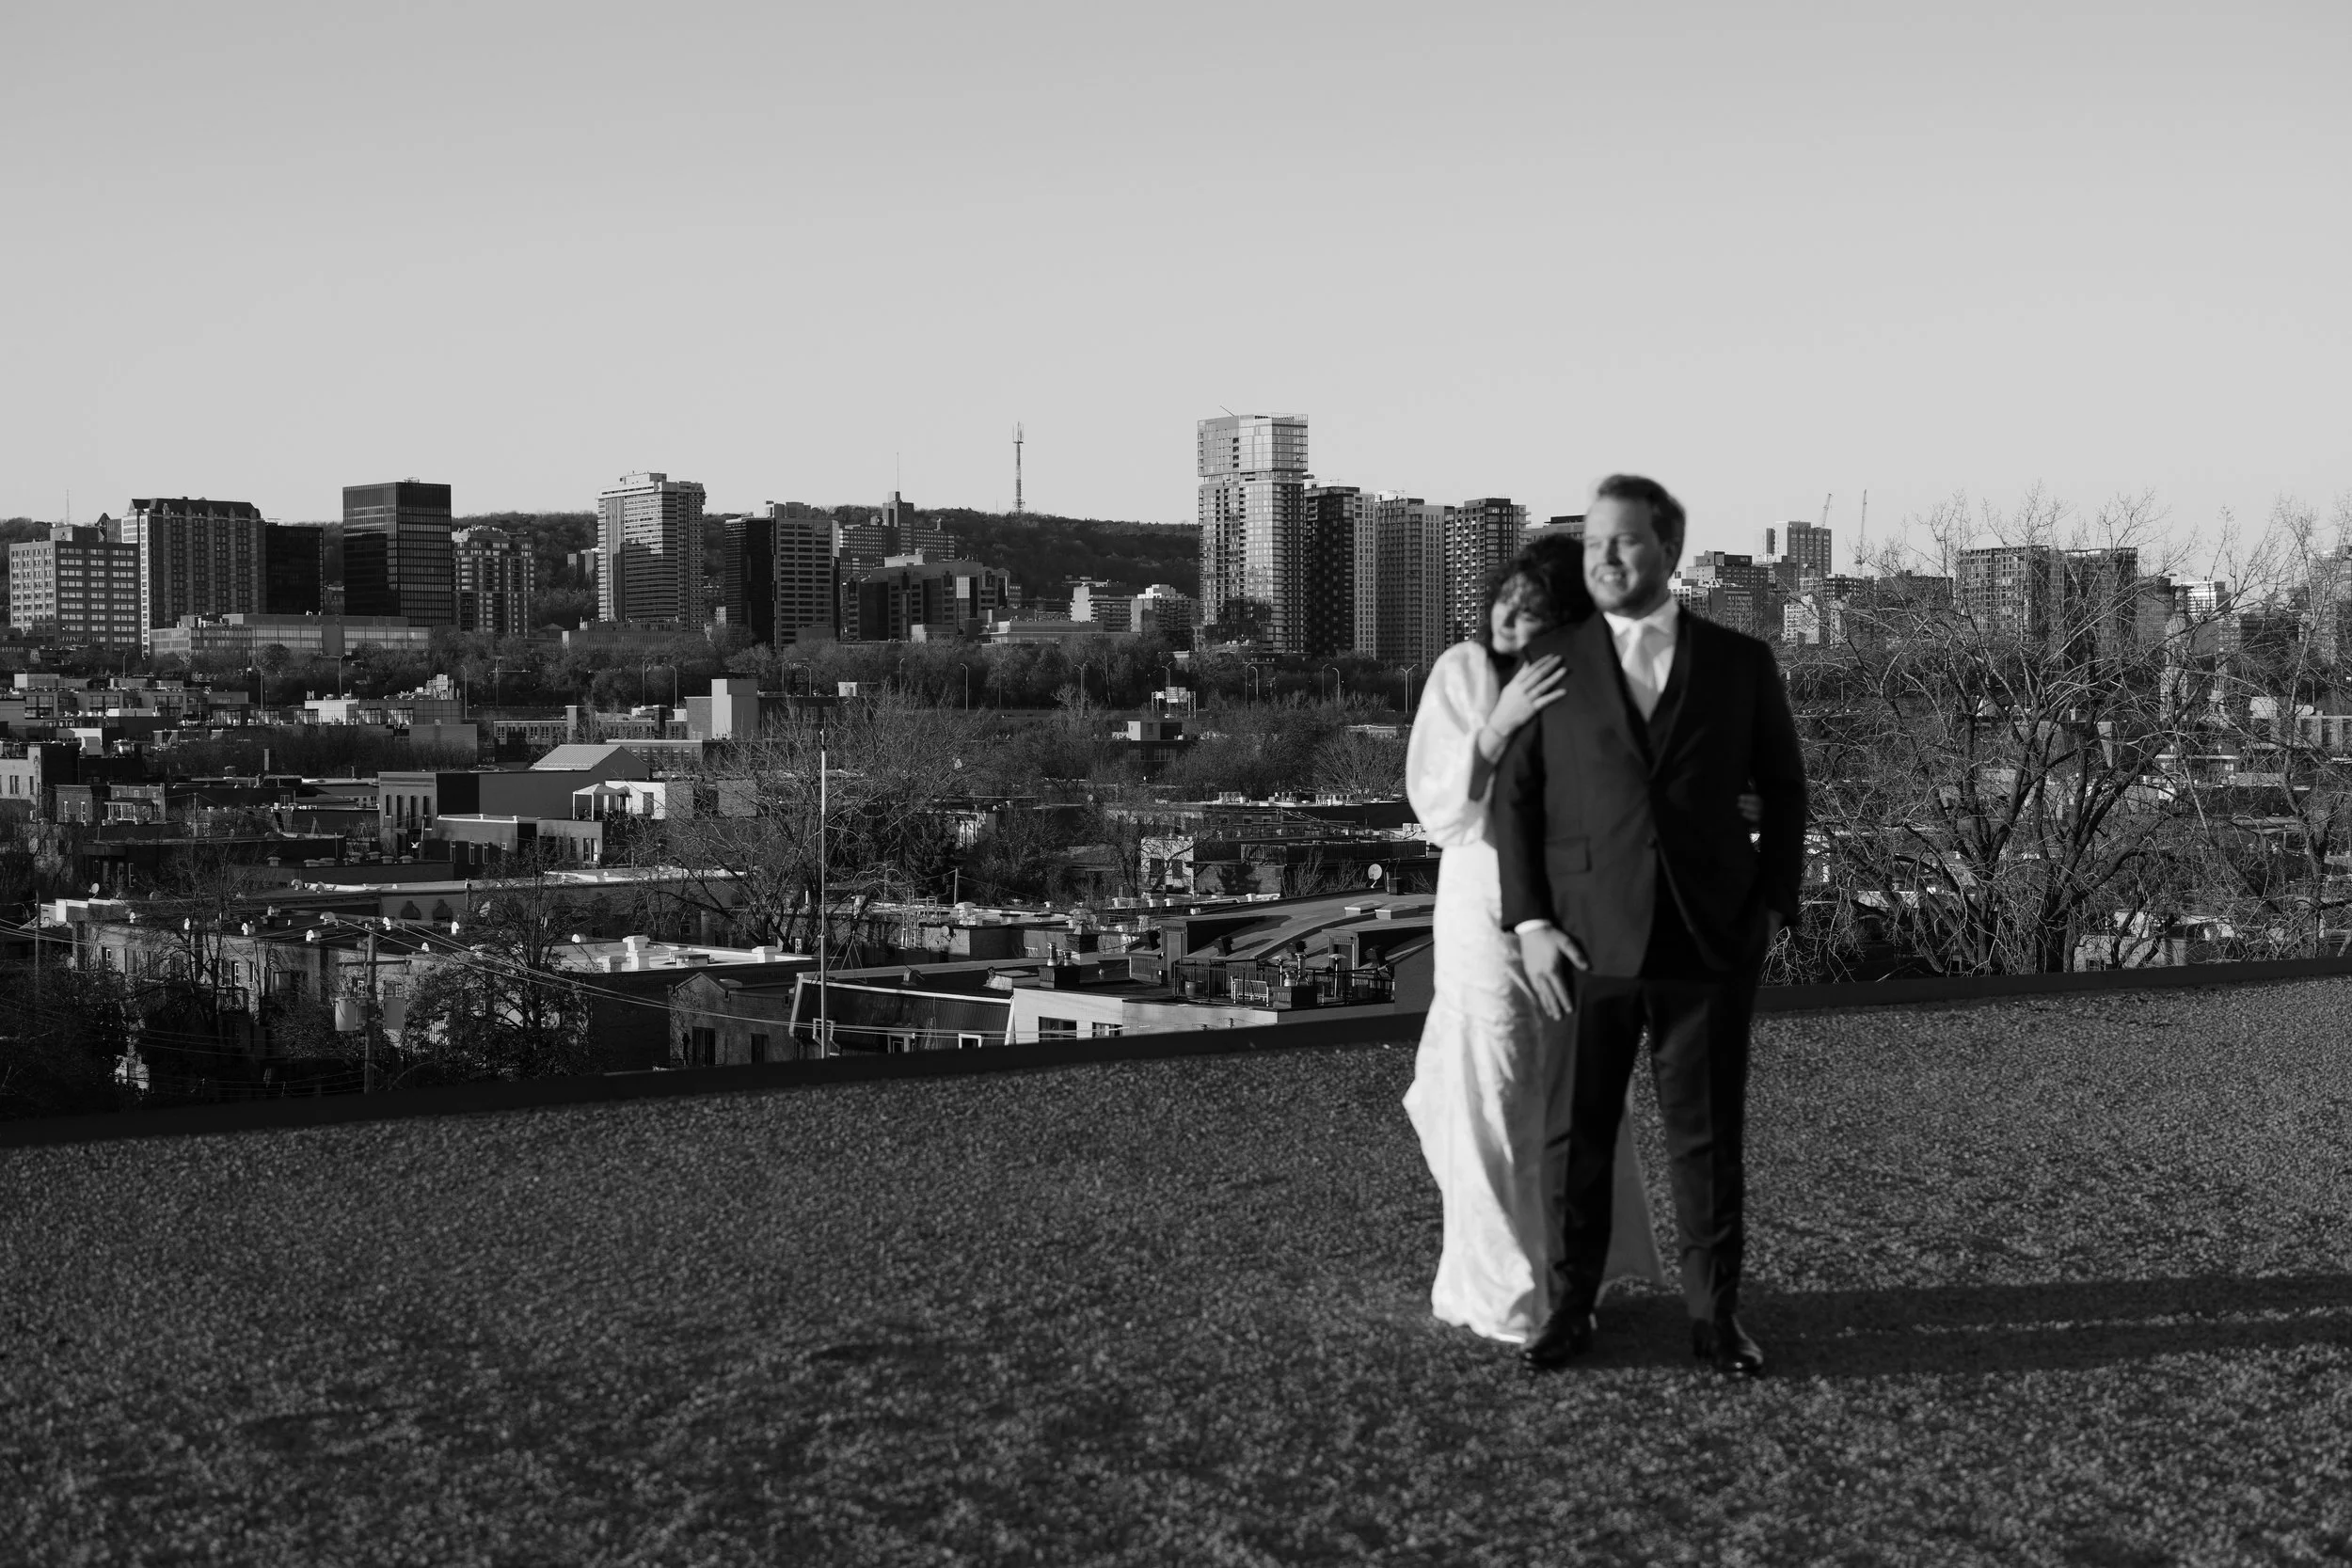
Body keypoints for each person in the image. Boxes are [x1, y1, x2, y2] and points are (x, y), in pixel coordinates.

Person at [1495, 475, 1807, 1378]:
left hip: (1708, 943)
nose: (1603, 558)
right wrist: (1530, 925)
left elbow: (1785, 788)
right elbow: (1519, 799)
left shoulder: (1740, 662)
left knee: (1708, 1140)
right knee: (1573, 1136)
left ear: (1669, 550)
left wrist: (1771, 904)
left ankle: (1716, 1321)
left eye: (1623, 542)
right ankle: (1568, 1310)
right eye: (1593, 544)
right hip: (1583, 944)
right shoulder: (1551, 656)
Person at [1402, 534, 1669, 1344]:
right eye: (1505, 599)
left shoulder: (1601, 677)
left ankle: (1570, 1278)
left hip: (1578, 914)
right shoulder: (1464, 672)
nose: (1511, 616)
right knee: (1493, 1090)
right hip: (1483, 917)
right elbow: (1439, 807)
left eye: (1534, 605)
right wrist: (1498, 728)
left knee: (1577, 1093)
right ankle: (1507, 1292)